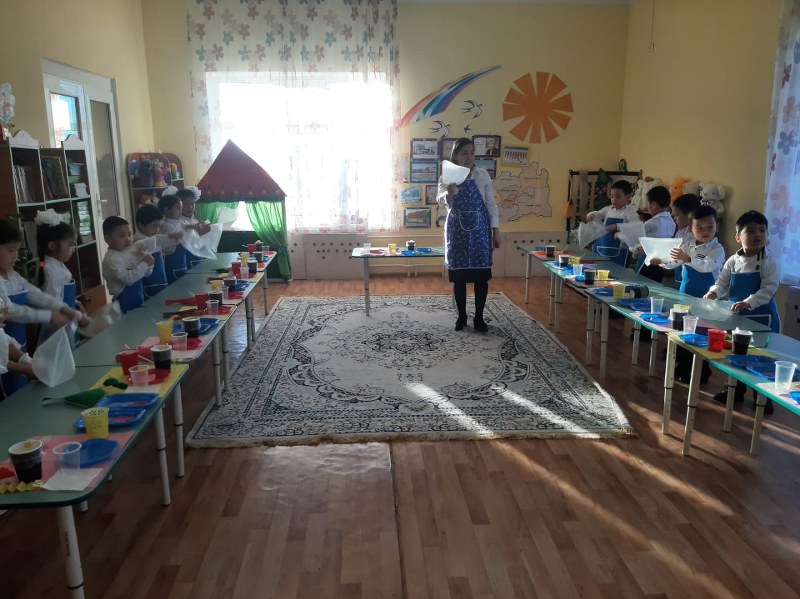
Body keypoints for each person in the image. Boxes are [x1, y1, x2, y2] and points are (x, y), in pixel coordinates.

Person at [704, 210, 780, 413]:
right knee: (737, 354)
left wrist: (748, 302)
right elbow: (721, 282)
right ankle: (734, 391)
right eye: (751, 231)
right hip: (738, 317)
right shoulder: (733, 261)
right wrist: (713, 292)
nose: (758, 235)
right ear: (738, 237)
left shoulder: (768, 262)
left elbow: (769, 289)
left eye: (762, 230)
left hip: (763, 318)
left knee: (762, 357)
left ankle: (763, 398)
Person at [0, 219, 78, 394]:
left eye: (17, 250)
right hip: (7, 352)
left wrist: (61, 307)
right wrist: (48, 316)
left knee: (21, 390)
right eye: (10, 250)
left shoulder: (13, 276)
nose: (16, 256)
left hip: (15, 346)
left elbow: (34, 293)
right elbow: (11, 311)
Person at [653, 205, 725, 383]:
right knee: (684, 330)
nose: (705, 231)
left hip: (706, 298)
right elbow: (673, 262)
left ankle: (702, 371)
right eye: (699, 227)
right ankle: (684, 365)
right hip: (685, 294)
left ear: (717, 227)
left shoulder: (717, 249)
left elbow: (708, 265)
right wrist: (661, 261)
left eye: (710, 227)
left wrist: (688, 259)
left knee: (701, 334)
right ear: (691, 229)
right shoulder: (687, 245)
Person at [438, 137, 500, 332]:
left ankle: (479, 318)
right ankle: (462, 316)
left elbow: (490, 204)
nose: (469, 157)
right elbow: (441, 200)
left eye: (472, 153)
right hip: (457, 231)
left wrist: (496, 231)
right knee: (459, 277)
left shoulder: (482, 175)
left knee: (481, 276)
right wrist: (449, 193)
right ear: (455, 155)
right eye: (464, 153)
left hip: (480, 231)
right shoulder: (447, 175)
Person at [35, 209, 90, 345]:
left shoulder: (56, 264)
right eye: (70, 245)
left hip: (68, 318)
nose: (73, 249)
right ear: (52, 245)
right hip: (59, 323)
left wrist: (78, 304)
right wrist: (75, 314)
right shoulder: (50, 270)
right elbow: (54, 301)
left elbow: (63, 295)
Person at [101, 216, 154, 313]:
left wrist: (148, 261)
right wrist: (145, 263)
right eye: (122, 236)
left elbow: (147, 273)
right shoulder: (111, 260)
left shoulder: (131, 252)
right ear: (108, 239)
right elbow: (128, 279)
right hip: (123, 303)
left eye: (129, 234)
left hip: (139, 298)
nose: (128, 239)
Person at [134, 203, 184, 299]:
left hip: (160, 283)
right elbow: (157, 240)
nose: (157, 230)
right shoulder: (139, 240)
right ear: (141, 225)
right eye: (154, 226)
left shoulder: (150, 237)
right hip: (149, 286)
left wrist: (164, 252)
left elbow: (162, 244)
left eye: (159, 226)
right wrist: (175, 235)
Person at [586, 180, 639, 266]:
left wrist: (617, 226)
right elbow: (598, 214)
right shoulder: (608, 209)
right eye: (612, 196)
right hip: (602, 246)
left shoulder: (630, 212)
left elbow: (635, 226)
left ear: (628, 197)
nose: (614, 200)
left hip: (618, 251)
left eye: (617, 197)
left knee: (615, 271)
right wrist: (591, 215)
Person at [632, 185, 676, 280]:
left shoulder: (652, 223)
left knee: (638, 283)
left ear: (653, 205)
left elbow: (635, 237)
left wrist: (619, 235)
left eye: (647, 204)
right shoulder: (672, 222)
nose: (646, 207)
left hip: (646, 261)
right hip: (661, 262)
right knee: (654, 284)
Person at [667, 193, 702, 289]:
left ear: (690, 214)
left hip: (693, 278)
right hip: (679, 273)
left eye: (676, 215)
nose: (674, 219)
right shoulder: (681, 232)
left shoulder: (699, 236)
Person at [176, 186, 211, 269]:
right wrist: (200, 232)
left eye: (192, 204)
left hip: (198, 257)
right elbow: (185, 240)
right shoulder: (178, 221)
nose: (190, 207)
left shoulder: (193, 219)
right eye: (186, 204)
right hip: (187, 259)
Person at [158, 194, 189, 283]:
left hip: (181, 264)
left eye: (181, 208)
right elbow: (170, 246)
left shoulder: (178, 222)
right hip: (172, 265)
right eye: (178, 208)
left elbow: (186, 226)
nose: (181, 211)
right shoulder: (167, 226)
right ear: (166, 210)